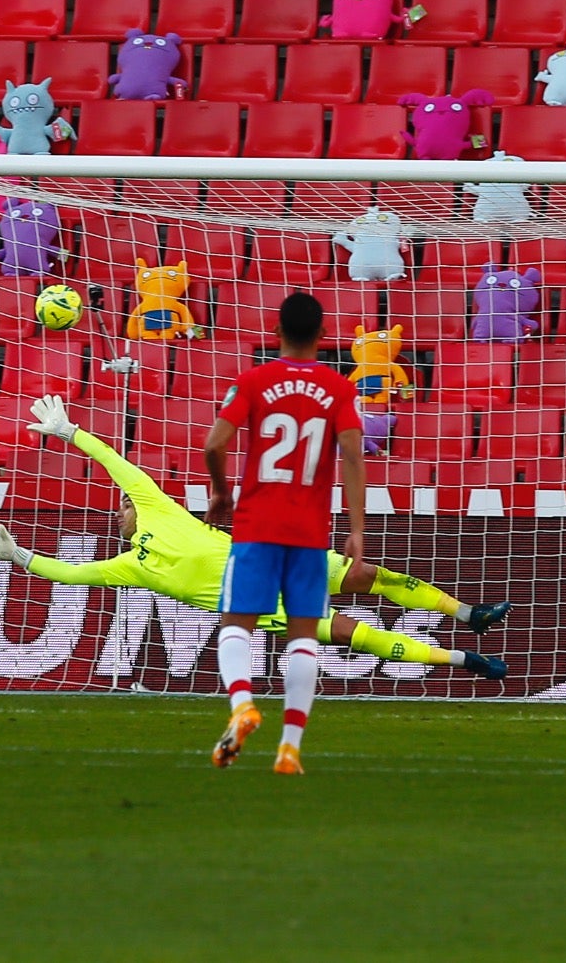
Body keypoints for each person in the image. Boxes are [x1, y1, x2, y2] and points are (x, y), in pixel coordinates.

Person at [0, 397, 509, 677]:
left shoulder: (158, 506)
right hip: (262, 605)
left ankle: (469, 615)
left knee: (376, 576)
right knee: (353, 634)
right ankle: (465, 662)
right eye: (122, 509)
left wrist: (71, 434)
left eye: (126, 505)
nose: (123, 509)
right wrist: (19, 554)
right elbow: (72, 573)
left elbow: (118, 465)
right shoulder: (129, 565)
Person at [206, 292, 363, 775]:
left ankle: (242, 706)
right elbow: (354, 457)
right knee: (303, 640)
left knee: (237, 627)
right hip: (310, 532)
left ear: (276, 332)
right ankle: (289, 749)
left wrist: (222, 493)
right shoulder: (339, 389)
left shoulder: (253, 380)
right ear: (322, 336)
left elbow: (214, 443)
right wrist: (356, 530)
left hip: (257, 527)